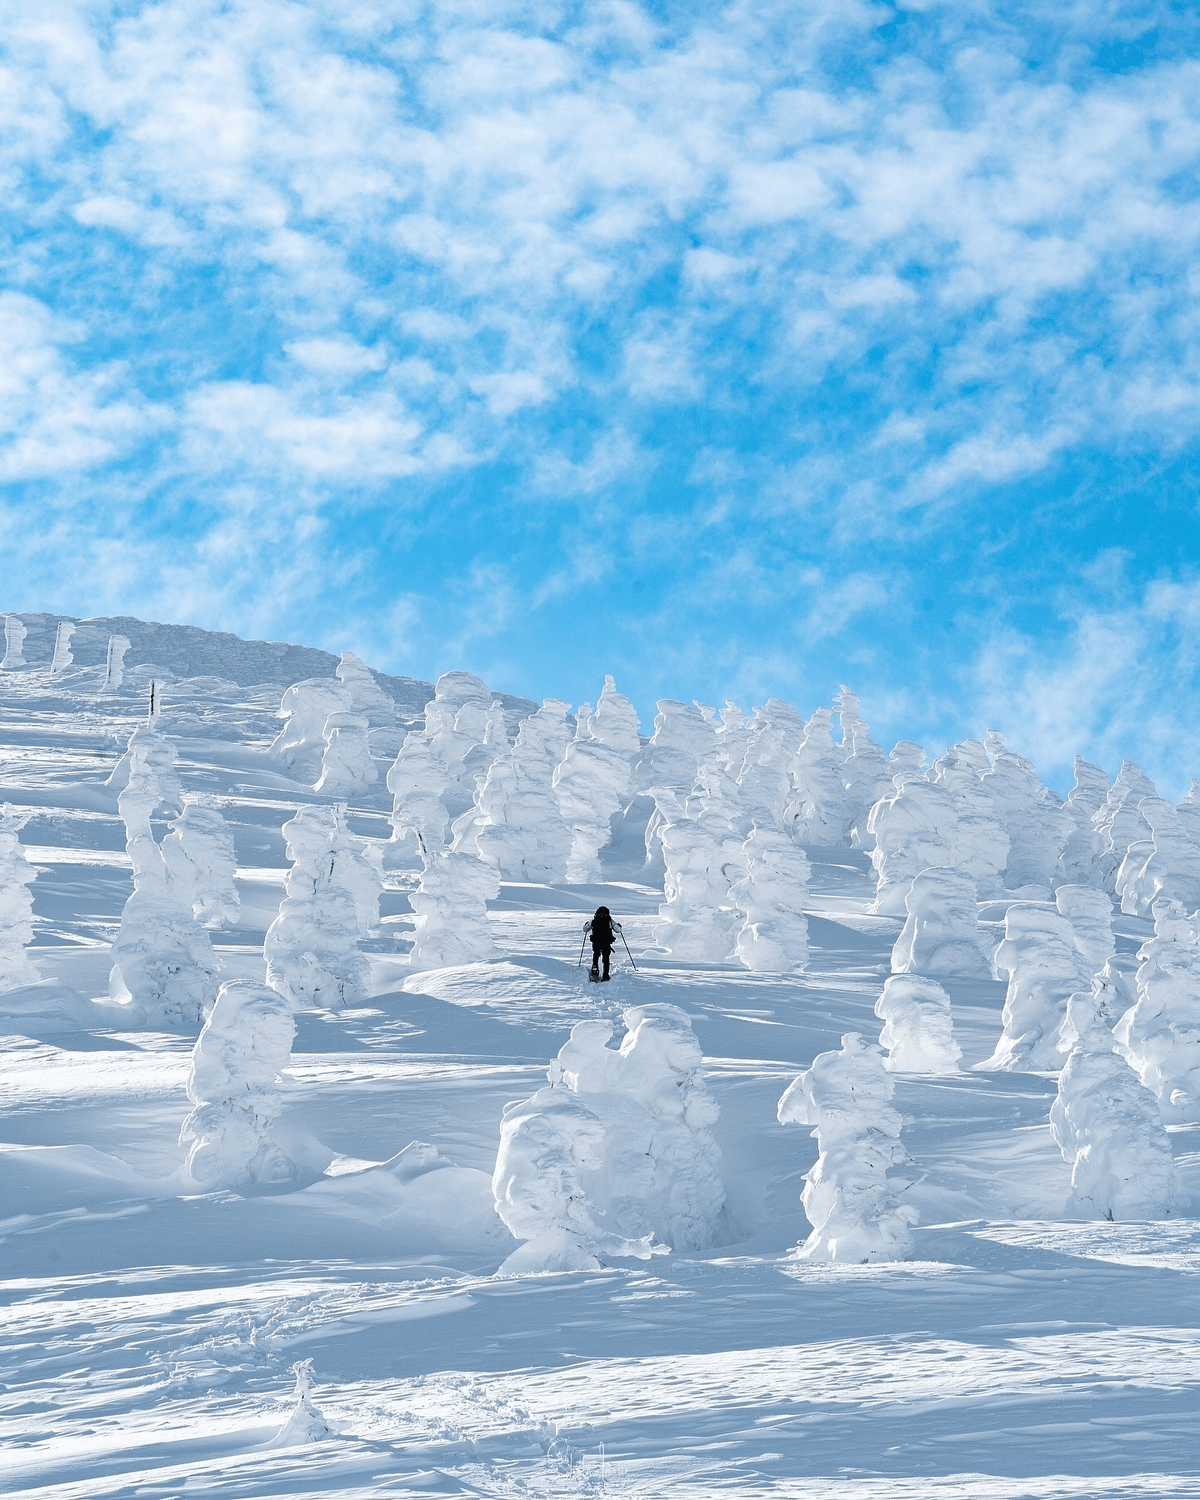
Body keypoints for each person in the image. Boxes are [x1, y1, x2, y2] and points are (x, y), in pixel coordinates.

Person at [583, 905, 620, 982]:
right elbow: (618, 930)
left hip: (596, 941)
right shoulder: (610, 920)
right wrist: (619, 926)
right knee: (606, 958)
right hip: (606, 942)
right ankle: (605, 975)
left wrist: (586, 924)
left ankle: (595, 968)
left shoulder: (594, 920)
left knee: (596, 953)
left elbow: (585, 929)